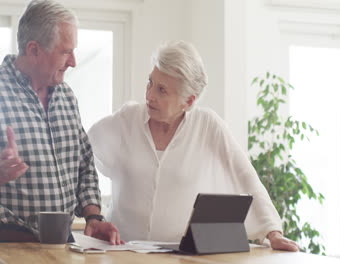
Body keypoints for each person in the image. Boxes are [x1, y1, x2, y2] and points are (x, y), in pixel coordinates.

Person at [87, 40, 299, 251]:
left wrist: (274, 233)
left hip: (179, 256)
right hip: (123, 252)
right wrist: (94, 214)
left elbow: (246, 176)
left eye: (162, 90)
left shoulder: (207, 125)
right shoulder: (127, 119)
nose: (149, 95)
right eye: (150, 82)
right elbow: (81, 154)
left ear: (188, 101)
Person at [0, 0, 121, 244]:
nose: (73, 61)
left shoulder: (66, 96)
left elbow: (84, 163)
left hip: (63, 243)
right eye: (65, 51)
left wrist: (94, 217)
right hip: (9, 243)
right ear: (34, 50)